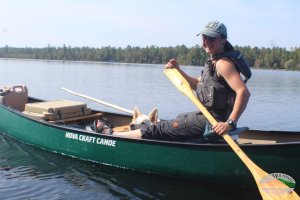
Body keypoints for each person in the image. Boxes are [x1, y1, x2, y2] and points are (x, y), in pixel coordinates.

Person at [99, 20, 251, 141]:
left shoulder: (223, 64)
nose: (206, 42)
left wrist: (229, 124)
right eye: (204, 38)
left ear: (223, 40)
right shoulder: (213, 62)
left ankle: (111, 135)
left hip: (213, 121)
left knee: (159, 128)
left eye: (211, 38)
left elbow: (243, 92)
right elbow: (197, 85)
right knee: (178, 118)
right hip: (208, 117)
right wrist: (179, 70)